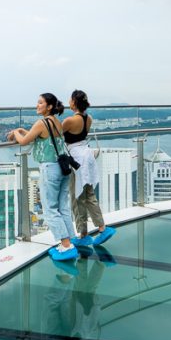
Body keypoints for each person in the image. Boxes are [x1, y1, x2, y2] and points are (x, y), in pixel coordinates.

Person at [8, 93, 78, 261]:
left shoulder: (41, 123)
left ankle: (66, 245)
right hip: (63, 167)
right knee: (63, 206)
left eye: (40, 103)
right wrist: (25, 132)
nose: (37, 105)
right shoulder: (55, 122)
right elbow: (39, 137)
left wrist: (16, 132)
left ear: (49, 106)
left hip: (50, 168)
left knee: (50, 209)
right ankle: (71, 240)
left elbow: (24, 142)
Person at [62, 90, 114, 246]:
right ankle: (102, 227)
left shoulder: (69, 121)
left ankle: (83, 233)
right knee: (89, 194)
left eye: (70, 100)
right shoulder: (88, 118)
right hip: (88, 155)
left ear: (74, 102)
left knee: (77, 197)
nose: (68, 102)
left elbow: (55, 135)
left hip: (77, 158)